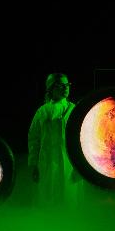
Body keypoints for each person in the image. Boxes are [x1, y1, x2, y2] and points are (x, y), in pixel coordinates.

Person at [28, 73, 81, 206]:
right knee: (48, 201)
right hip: (47, 163)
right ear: (51, 88)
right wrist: (33, 164)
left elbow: (82, 141)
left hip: (70, 165)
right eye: (61, 85)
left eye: (67, 85)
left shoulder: (74, 110)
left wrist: (80, 167)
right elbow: (34, 139)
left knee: (68, 202)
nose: (66, 88)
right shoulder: (43, 111)